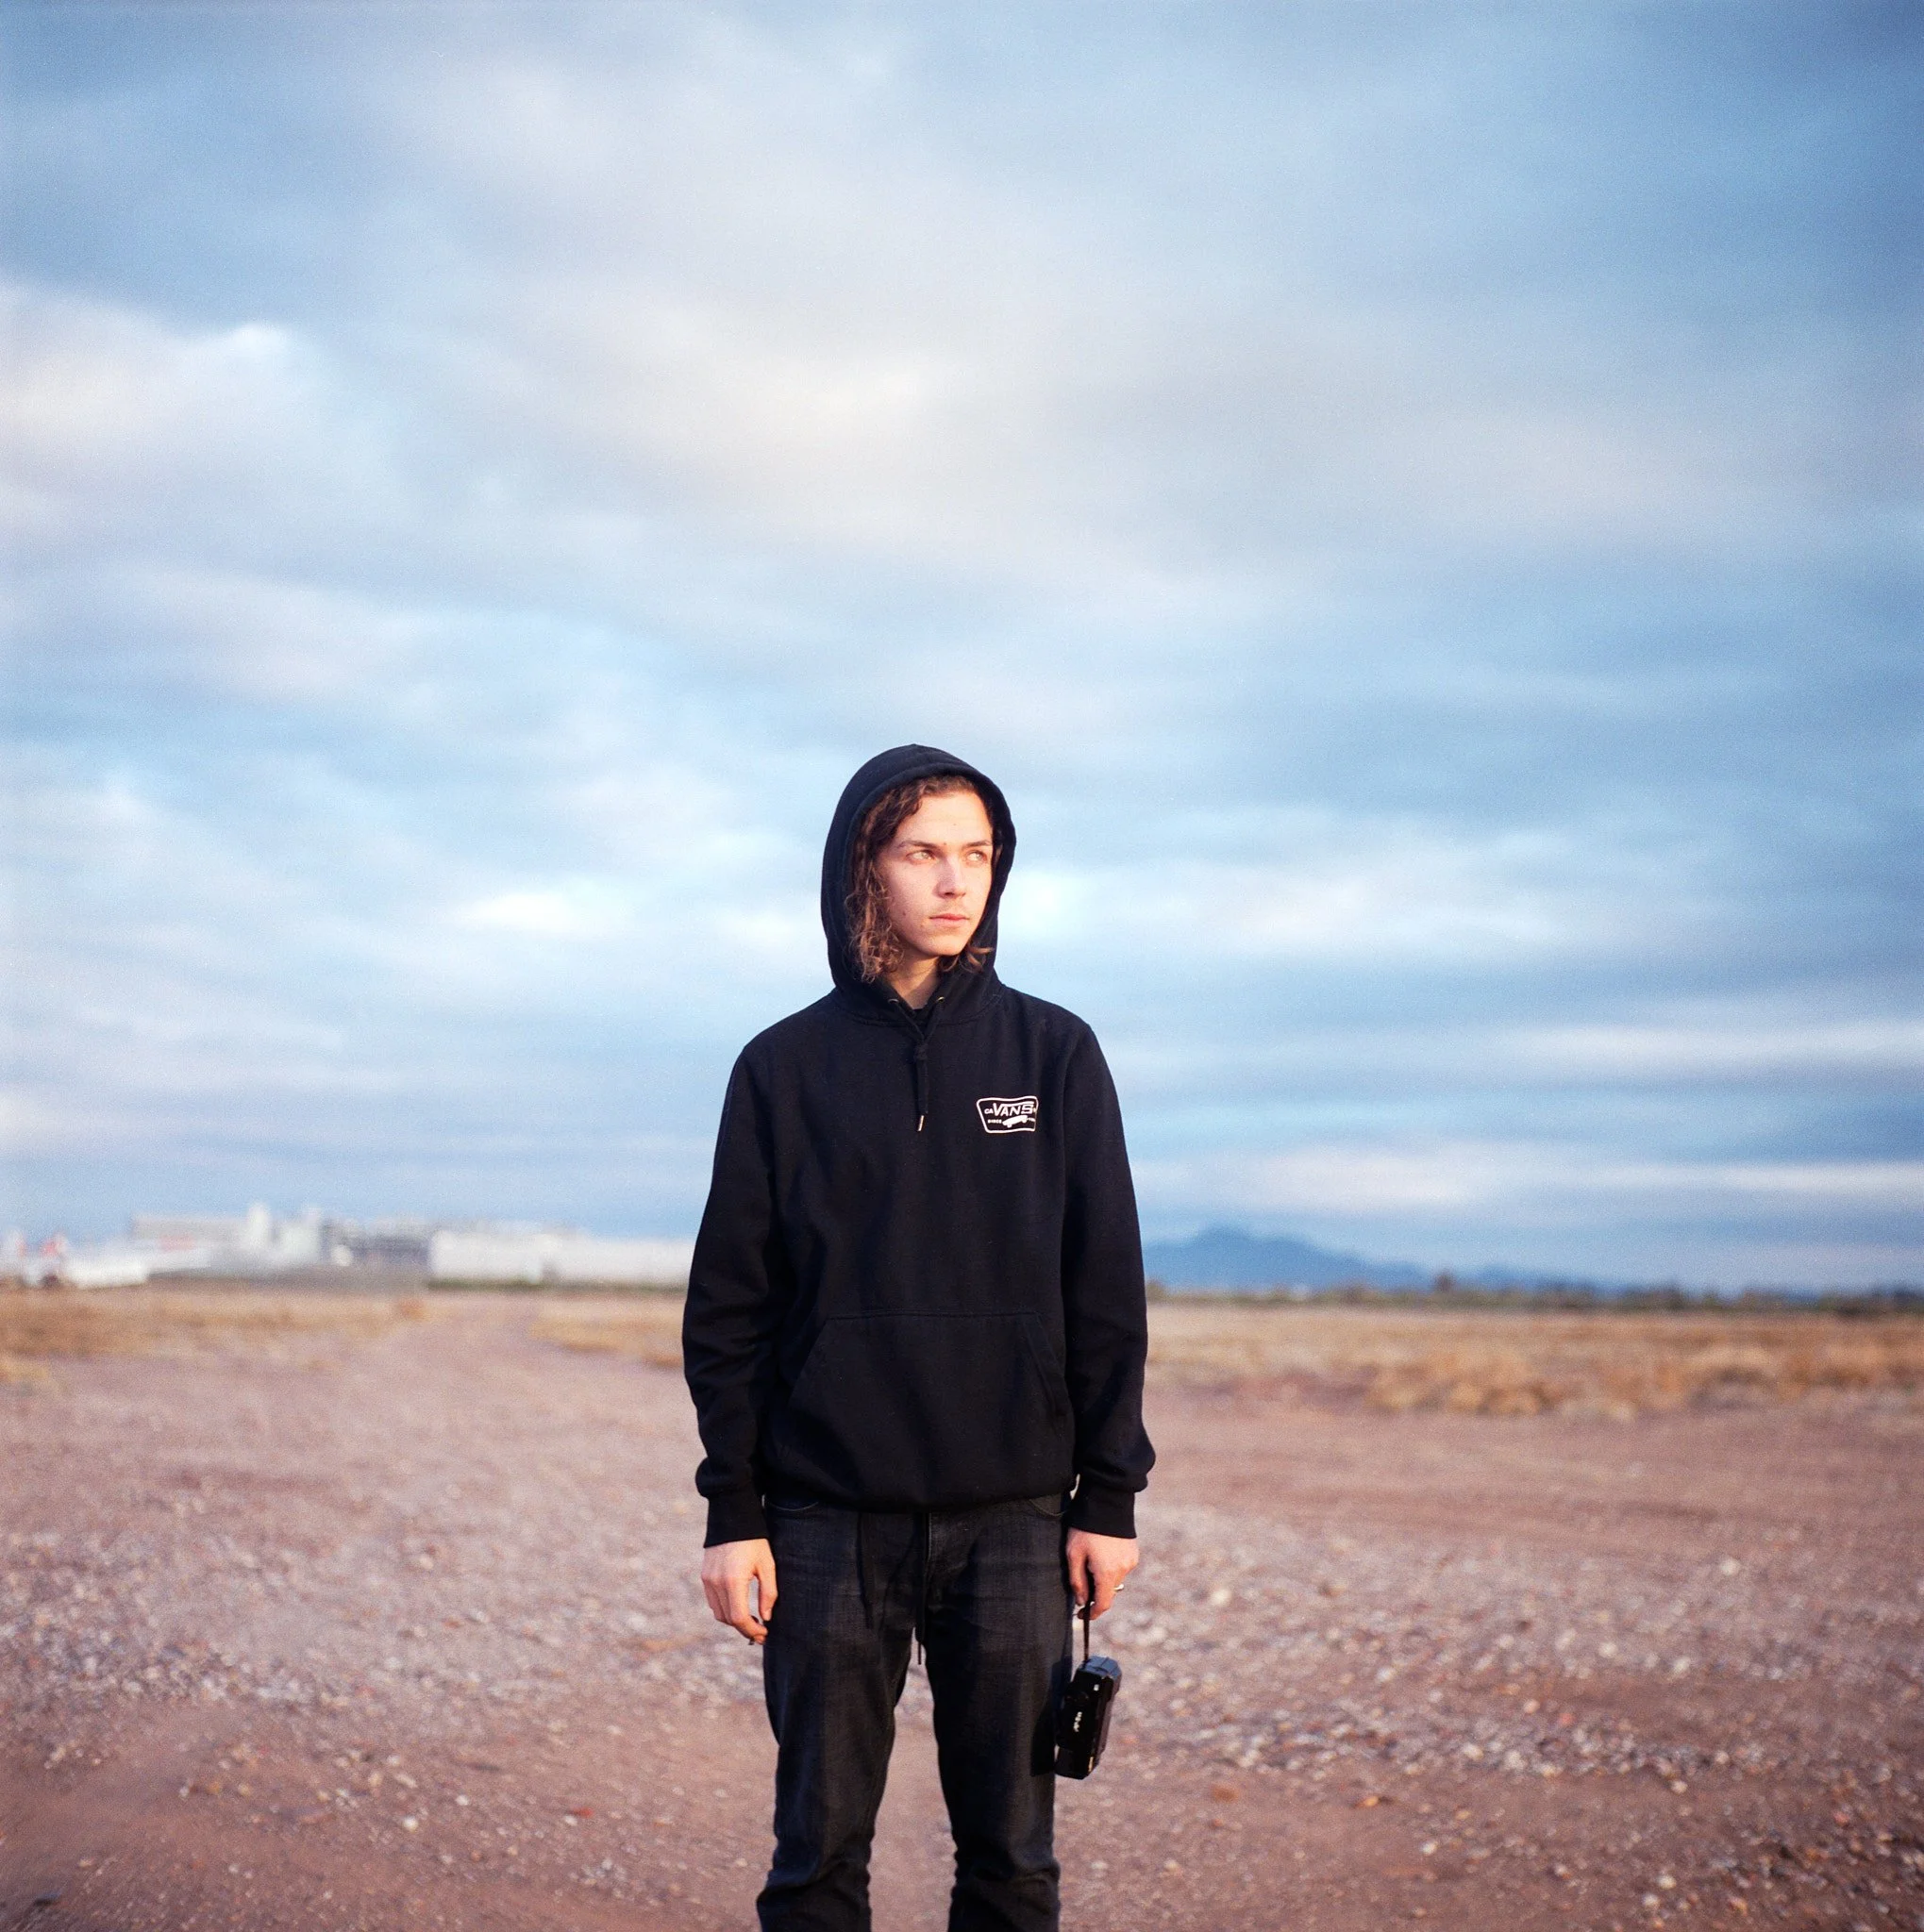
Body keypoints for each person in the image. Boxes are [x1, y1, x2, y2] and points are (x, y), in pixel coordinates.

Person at [682, 743, 1155, 1932]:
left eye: (978, 854)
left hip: (1012, 1522)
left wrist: (1110, 1495)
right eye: (923, 852)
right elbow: (729, 1307)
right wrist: (731, 1510)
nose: (957, 881)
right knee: (816, 1859)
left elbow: (1102, 1291)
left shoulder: (1054, 1054)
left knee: (1010, 1862)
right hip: (823, 1519)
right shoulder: (781, 1067)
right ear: (863, 870)